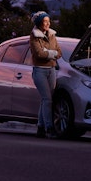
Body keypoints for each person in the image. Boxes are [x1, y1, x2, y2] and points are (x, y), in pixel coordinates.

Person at [29, 11, 62, 139]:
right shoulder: (34, 36)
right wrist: (51, 53)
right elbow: (38, 54)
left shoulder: (52, 34)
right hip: (39, 71)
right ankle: (49, 128)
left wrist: (48, 52)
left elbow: (59, 52)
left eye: (49, 21)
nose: (48, 23)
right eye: (45, 21)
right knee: (47, 99)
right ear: (39, 23)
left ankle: (40, 127)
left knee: (45, 100)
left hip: (52, 69)